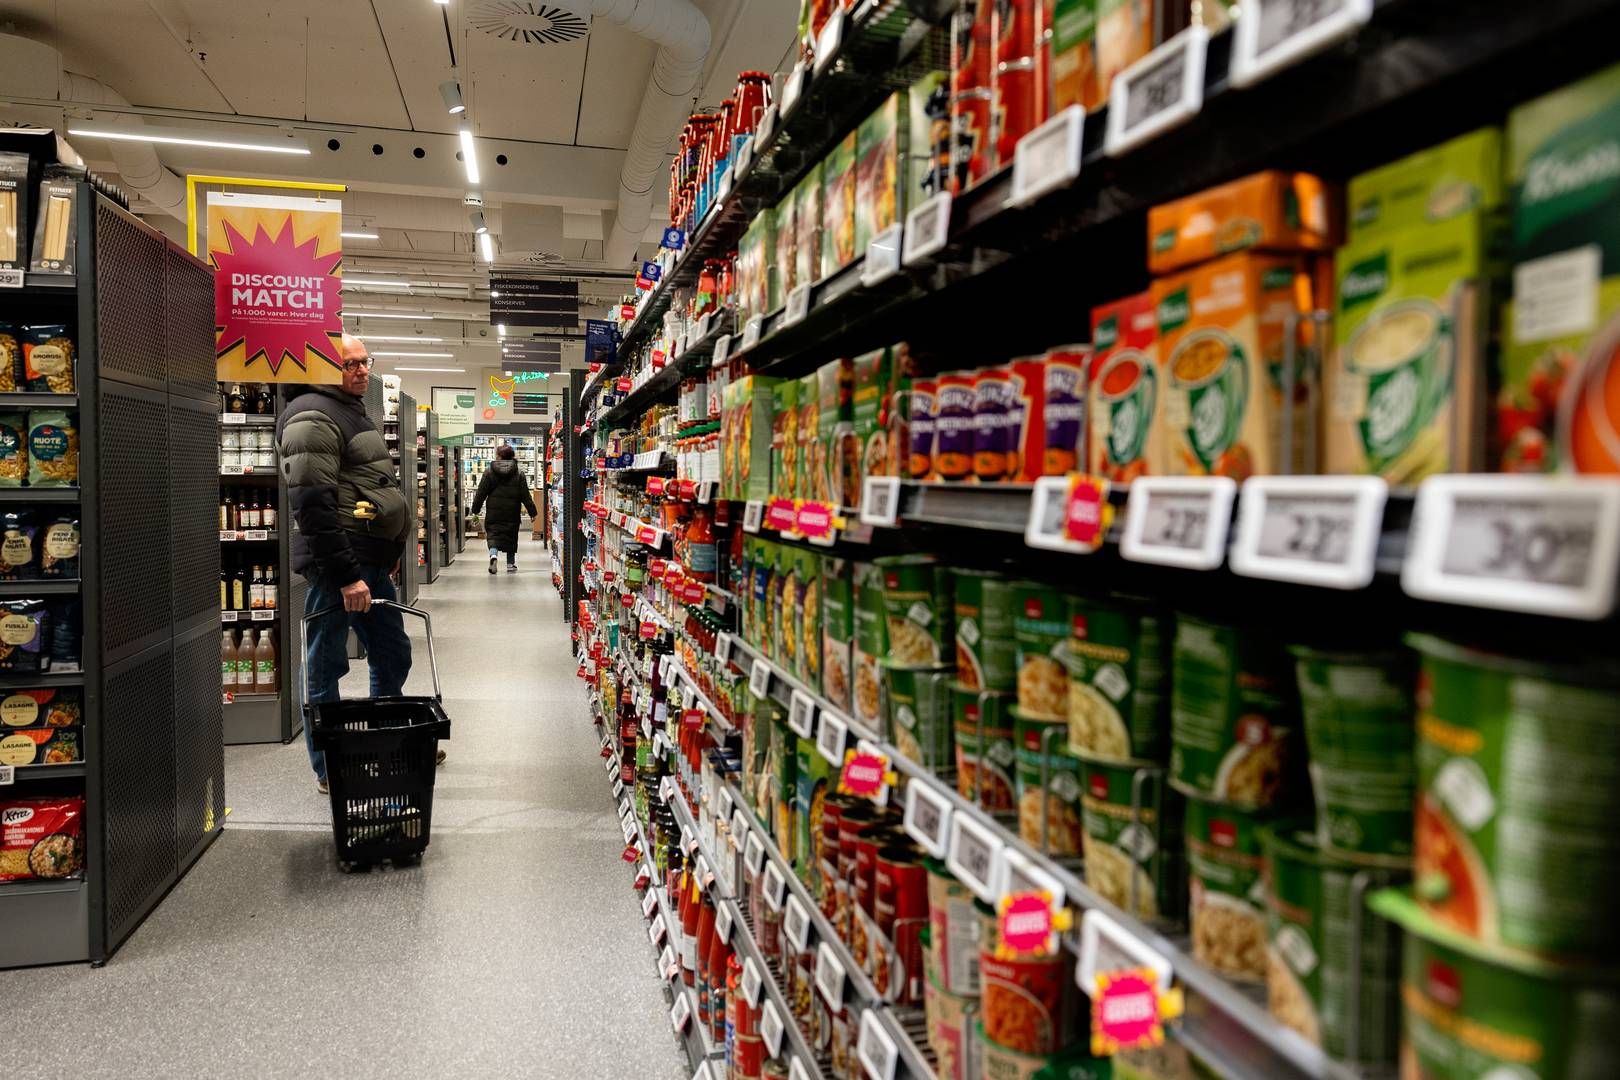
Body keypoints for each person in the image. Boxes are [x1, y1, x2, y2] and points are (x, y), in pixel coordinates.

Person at [276, 333, 441, 794]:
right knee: (325, 666)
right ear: (322, 368)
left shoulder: (347, 409)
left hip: (367, 561)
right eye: (349, 364)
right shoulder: (311, 415)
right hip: (338, 568)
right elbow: (312, 504)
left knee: (392, 653)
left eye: (365, 361)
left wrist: (382, 554)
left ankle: (385, 741)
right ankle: (330, 767)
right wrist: (348, 574)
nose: (361, 370)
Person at [471, 443, 537, 574]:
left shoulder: (489, 472)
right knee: (511, 536)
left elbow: (481, 493)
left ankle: (493, 556)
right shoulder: (519, 473)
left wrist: (475, 509)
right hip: (512, 512)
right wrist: (532, 512)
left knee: (493, 536)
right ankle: (510, 564)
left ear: (499, 456)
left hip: (494, 512)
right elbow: (525, 495)